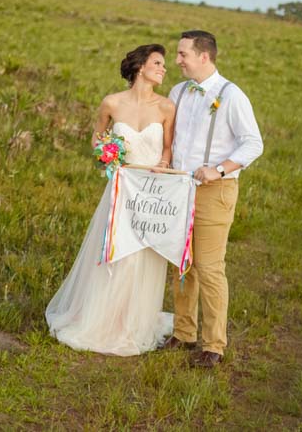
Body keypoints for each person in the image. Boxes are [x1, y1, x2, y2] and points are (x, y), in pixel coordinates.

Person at [45, 44, 177, 356]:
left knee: (142, 254)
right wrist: (108, 156)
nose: (164, 69)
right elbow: (98, 139)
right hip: (121, 189)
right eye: (158, 63)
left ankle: (133, 321)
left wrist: (164, 163)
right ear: (140, 67)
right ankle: (102, 319)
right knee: (117, 252)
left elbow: (169, 148)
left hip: (150, 193)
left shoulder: (166, 107)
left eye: (165, 64)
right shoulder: (112, 103)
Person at [161, 30, 263, 368]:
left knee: (209, 267)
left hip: (214, 192)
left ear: (204, 57)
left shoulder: (232, 96)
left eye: (182, 54)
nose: (177, 61)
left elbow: (253, 144)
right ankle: (183, 333)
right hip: (179, 188)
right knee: (181, 264)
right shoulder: (179, 91)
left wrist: (219, 169)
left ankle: (214, 345)